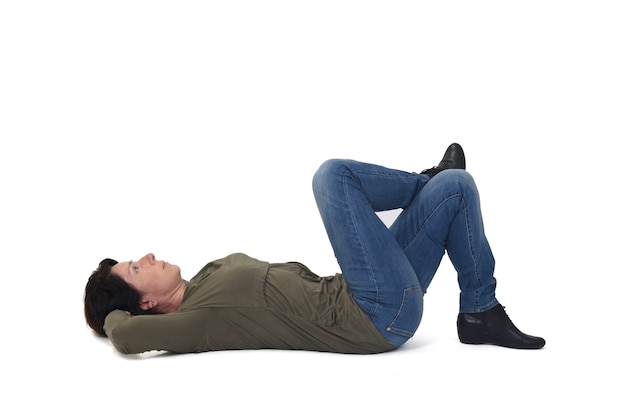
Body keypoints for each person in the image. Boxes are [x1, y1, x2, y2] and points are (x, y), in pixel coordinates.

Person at [84, 144, 545, 355]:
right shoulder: (194, 321)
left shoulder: (203, 281)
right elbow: (125, 335)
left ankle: (480, 311)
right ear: (145, 302)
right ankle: (421, 181)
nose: (146, 256)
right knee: (330, 177)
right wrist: (106, 312)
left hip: (364, 292)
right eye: (135, 269)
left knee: (456, 187)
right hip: (373, 313)